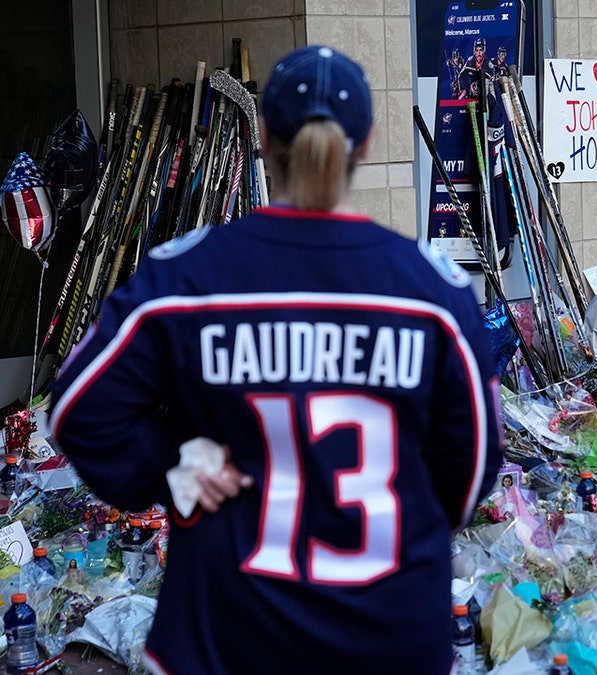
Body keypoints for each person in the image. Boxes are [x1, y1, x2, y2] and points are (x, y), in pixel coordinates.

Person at [49, 45, 502, 674]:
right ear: (366, 142)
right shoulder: (436, 294)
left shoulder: (187, 277)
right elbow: (472, 468)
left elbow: (76, 409)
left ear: (262, 137)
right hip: (391, 635)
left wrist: (172, 466)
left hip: (223, 636)